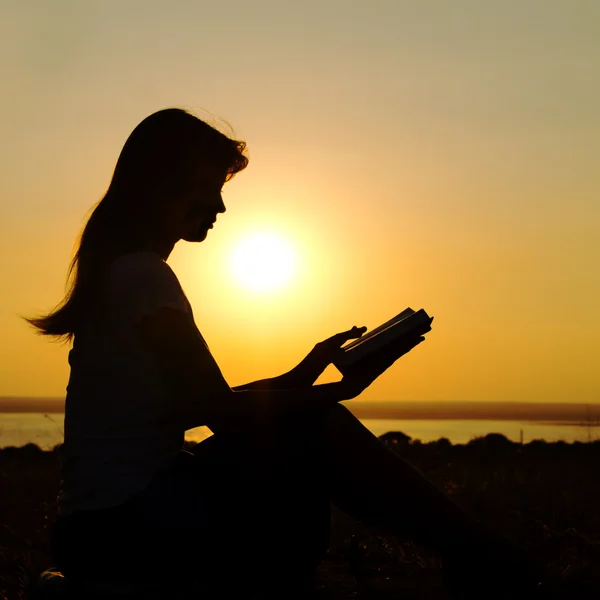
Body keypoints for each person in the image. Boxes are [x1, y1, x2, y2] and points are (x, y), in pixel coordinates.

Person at [27, 108, 545, 599]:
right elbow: (220, 413)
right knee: (317, 429)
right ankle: (478, 556)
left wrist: (304, 373)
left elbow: (193, 403)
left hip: (97, 529)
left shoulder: (123, 273)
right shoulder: (144, 277)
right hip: (125, 526)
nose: (221, 206)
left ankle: (473, 554)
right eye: (212, 187)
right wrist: (333, 392)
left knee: (309, 425)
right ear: (167, 185)